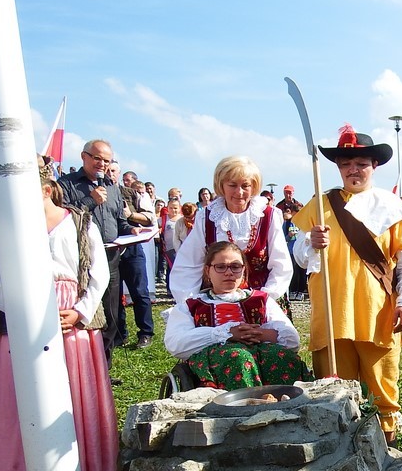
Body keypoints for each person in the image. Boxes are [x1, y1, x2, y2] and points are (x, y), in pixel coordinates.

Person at [0, 166, 118, 471]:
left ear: (46, 190)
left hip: (70, 319)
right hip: (22, 320)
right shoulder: (3, 228)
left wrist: (80, 311)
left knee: (75, 393)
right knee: (17, 401)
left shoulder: (79, 222)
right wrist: (22, 314)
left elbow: (98, 273)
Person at [293, 125, 402, 444]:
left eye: (361, 163)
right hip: (332, 313)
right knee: (333, 389)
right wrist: (311, 243)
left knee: (382, 389)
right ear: (338, 167)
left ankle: (387, 451)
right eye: (346, 164)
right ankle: (340, 453)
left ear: (374, 166)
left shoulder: (390, 206)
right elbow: (301, 257)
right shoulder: (321, 204)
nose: (353, 170)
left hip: (376, 313)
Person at [165, 242, 310, 389]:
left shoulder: (261, 300)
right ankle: (246, 402)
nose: (229, 273)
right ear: (208, 271)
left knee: (280, 356)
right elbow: (176, 344)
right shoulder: (191, 306)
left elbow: (292, 341)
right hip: (221, 361)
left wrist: (256, 334)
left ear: (243, 270)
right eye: (220, 267)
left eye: (235, 267)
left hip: (261, 354)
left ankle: (285, 400)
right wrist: (226, 333)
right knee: (238, 356)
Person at [169, 156, 292, 305]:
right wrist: (192, 303)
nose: (239, 192)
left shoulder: (268, 216)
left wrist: (266, 298)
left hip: (263, 301)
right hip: (217, 303)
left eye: (245, 185)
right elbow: (188, 265)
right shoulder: (206, 217)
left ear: (253, 187)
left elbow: (281, 265)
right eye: (232, 185)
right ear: (221, 186)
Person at [58, 139, 136, 368]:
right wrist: (90, 201)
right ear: (84, 156)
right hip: (80, 260)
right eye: (97, 158)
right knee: (87, 310)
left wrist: (132, 230)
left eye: (107, 160)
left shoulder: (112, 187)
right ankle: (80, 366)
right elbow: (63, 218)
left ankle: (104, 368)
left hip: (110, 257)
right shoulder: (66, 184)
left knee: (111, 314)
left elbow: (119, 221)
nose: (102, 164)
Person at [113, 165, 155, 349]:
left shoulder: (130, 193)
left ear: (118, 173)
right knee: (114, 296)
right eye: (108, 170)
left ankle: (145, 333)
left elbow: (150, 218)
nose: (109, 173)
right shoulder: (97, 193)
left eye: (113, 171)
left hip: (132, 247)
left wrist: (131, 215)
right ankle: (119, 335)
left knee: (139, 292)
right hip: (110, 249)